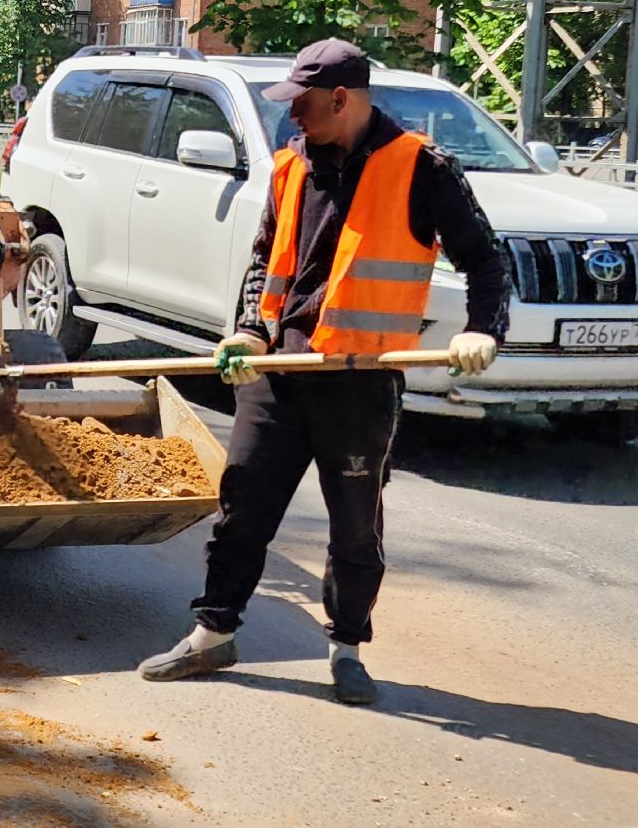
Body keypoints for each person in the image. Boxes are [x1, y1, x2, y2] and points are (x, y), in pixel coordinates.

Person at [138, 38, 510, 705]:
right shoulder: (290, 168)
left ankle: (347, 648)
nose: (294, 118)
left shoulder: (422, 168)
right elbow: (264, 261)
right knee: (242, 506)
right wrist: (251, 329)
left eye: (303, 105)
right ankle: (213, 634)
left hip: (361, 380)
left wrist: (484, 330)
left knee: (354, 528)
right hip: (282, 370)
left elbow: (487, 261)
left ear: (341, 99)